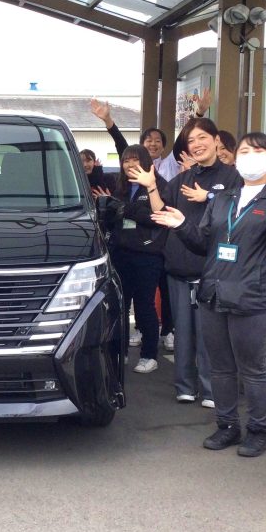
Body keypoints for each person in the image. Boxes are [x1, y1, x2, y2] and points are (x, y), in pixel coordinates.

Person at [151, 132, 266, 457]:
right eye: (244, 151)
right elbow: (203, 242)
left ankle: (258, 431)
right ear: (235, 159)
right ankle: (227, 426)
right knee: (220, 368)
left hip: (254, 299)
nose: (250, 157)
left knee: (253, 369)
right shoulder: (224, 197)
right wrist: (181, 225)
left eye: (257, 151)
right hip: (215, 294)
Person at [130, 117, 241, 407]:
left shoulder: (232, 176)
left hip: (213, 269)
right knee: (183, 332)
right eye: (191, 140)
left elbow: (239, 207)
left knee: (210, 334)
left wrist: (210, 196)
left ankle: (211, 389)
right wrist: (151, 186)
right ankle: (185, 386)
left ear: (216, 140)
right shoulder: (183, 178)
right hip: (179, 265)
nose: (197, 144)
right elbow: (161, 211)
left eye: (202, 137)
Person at [107, 145, 169, 373]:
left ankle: (149, 355)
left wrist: (127, 210)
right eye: (126, 160)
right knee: (120, 306)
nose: (130, 164)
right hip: (120, 254)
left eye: (135, 160)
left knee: (144, 305)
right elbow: (113, 217)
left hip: (148, 256)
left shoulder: (159, 185)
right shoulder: (120, 187)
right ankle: (119, 352)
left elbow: (158, 217)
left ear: (145, 162)